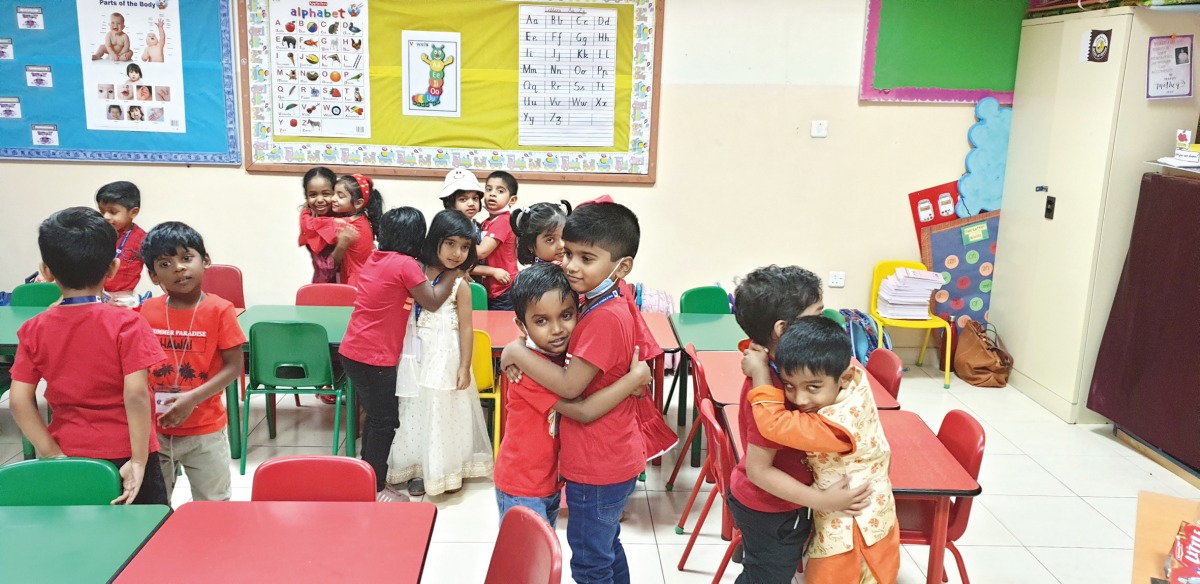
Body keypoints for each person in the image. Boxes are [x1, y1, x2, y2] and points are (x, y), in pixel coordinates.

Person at [500, 201, 650, 583]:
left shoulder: (602, 317)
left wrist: (515, 351)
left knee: (590, 562)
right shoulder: (606, 299)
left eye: (586, 258)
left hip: (597, 463)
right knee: (605, 548)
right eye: (568, 253)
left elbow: (572, 392)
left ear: (622, 267)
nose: (571, 266)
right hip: (603, 458)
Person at [9, 207, 167, 505]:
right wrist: (138, 460)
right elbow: (135, 395)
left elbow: (19, 400)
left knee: (77, 529)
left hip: (69, 450)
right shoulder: (128, 324)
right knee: (145, 527)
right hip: (126, 450)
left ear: (46, 271)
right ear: (113, 268)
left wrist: (52, 454)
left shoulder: (34, 329)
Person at [728, 265, 872, 583]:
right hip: (773, 508)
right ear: (783, 329)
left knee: (763, 567)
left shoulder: (788, 374)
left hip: (773, 505)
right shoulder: (771, 390)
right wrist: (822, 501)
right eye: (817, 315)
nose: (823, 322)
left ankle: (757, 555)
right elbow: (759, 470)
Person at [743, 317, 899, 583]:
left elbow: (773, 425)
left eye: (812, 387)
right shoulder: (854, 386)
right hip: (868, 517)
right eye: (789, 386)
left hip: (853, 529)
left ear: (843, 378)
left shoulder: (836, 425)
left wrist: (760, 374)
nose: (800, 399)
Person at [494, 263, 651, 528]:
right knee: (527, 552)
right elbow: (582, 411)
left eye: (566, 315)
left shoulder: (563, 360)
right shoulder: (529, 371)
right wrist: (633, 380)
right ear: (521, 325)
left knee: (544, 548)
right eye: (541, 321)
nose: (557, 329)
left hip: (549, 483)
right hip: (522, 485)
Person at [338, 207, 461, 501]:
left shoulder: (377, 257)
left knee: (375, 419)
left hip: (354, 352)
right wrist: (454, 273)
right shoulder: (405, 264)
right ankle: (376, 487)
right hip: (373, 358)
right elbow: (432, 301)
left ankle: (367, 479)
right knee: (385, 422)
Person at [388, 210, 494, 497]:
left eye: (465, 247)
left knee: (445, 412)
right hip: (415, 357)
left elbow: (467, 328)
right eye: (450, 244)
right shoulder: (414, 273)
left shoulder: (460, 285)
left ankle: (447, 469)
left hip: (446, 358)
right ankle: (418, 467)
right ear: (435, 239)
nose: (457, 253)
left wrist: (464, 366)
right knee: (414, 410)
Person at [139, 222, 243, 504]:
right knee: (155, 505)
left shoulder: (220, 309)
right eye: (165, 264)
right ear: (153, 275)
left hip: (205, 430)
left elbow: (234, 367)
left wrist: (192, 399)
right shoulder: (147, 311)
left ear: (205, 260)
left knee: (213, 504)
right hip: (155, 429)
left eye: (186, 258)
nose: (178, 268)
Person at [96, 181, 146, 307]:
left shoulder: (142, 239)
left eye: (112, 212)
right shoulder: (98, 234)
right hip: (98, 296)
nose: (106, 217)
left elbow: (158, 271)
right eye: (102, 212)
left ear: (133, 212)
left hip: (126, 301)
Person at [331, 173, 383, 287]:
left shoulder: (347, 223)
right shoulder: (363, 219)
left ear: (358, 203)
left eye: (340, 196)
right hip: (363, 277)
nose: (332, 199)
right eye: (333, 193)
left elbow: (318, 226)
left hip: (356, 281)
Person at [478, 171, 519, 310]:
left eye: (500, 191)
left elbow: (481, 252)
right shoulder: (486, 223)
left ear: (512, 200)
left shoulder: (504, 220)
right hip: (493, 288)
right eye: (488, 189)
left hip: (504, 289)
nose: (492, 194)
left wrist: (457, 248)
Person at [297, 167, 339, 283]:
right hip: (324, 285)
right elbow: (325, 269)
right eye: (313, 195)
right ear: (306, 196)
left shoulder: (345, 213)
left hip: (353, 281)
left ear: (335, 193)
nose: (320, 200)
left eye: (326, 194)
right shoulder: (308, 223)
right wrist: (342, 245)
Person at [511, 200, 571, 265]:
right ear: (530, 245)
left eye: (564, 236)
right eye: (550, 240)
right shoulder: (542, 271)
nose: (562, 245)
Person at [438, 167, 484, 242]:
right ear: (450, 203)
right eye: (463, 199)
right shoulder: (447, 228)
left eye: (475, 198)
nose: (471, 203)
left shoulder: (478, 226)